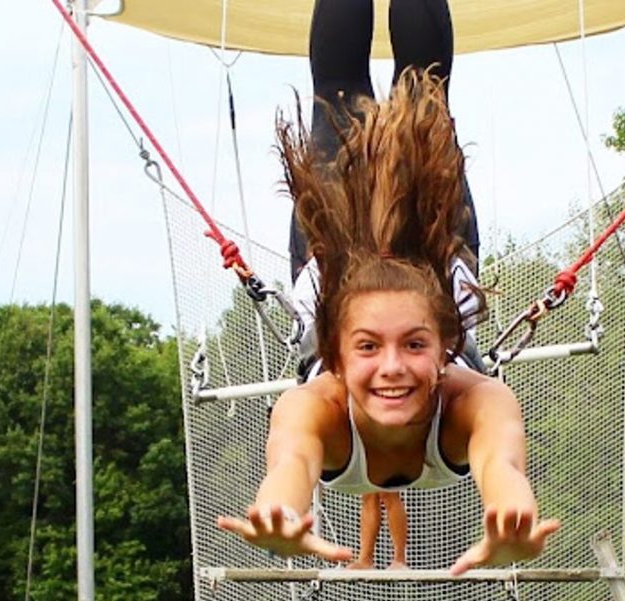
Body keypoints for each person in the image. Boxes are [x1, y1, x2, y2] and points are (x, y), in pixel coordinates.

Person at [217, 0, 560, 576]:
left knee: (338, 90)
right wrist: (279, 509)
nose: (393, 367)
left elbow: (504, 468)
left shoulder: (470, 400)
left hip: (333, 254)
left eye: (415, 345)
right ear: (336, 354)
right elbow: (289, 466)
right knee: (425, 92)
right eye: (370, 346)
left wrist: (513, 516)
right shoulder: (318, 406)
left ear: (444, 347)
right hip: (435, 243)